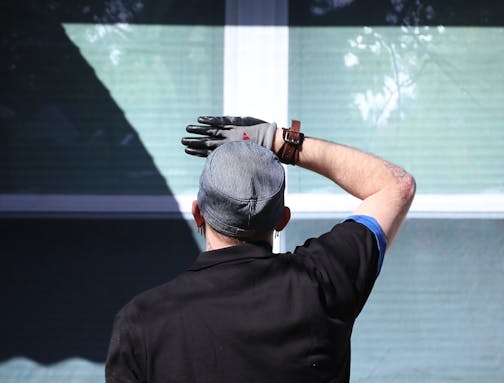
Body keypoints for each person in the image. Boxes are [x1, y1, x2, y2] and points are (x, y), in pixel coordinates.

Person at [105, 116, 416, 383]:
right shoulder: (323, 283)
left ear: (198, 213)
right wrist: (282, 142)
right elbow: (397, 186)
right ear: (282, 220)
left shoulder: (141, 322)